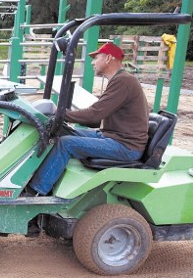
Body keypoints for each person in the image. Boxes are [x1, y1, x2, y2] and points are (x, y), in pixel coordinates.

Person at [27, 42, 149, 196]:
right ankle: (43, 179)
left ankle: (35, 191)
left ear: (108, 58)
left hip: (125, 146)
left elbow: (94, 115)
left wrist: (60, 114)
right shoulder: (119, 80)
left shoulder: (124, 81)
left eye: (96, 57)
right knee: (63, 132)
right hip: (111, 136)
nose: (92, 62)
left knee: (66, 143)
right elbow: (96, 119)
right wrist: (62, 118)